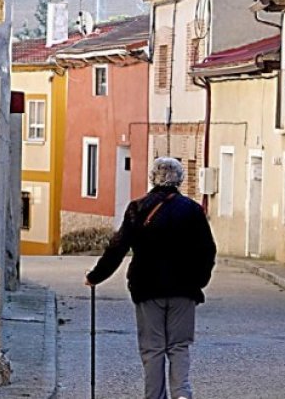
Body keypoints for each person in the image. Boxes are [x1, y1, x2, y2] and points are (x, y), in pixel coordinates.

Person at [85, 157, 216, 399]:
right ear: (180, 179)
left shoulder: (138, 208)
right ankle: (181, 395)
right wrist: (199, 280)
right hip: (184, 289)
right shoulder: (193, 210)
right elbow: (207, 250)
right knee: (179, 346)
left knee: (153, 348)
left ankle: (154, 397)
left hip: (147, 288)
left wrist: (96, 276)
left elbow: (118, 246)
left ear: (152, 177)